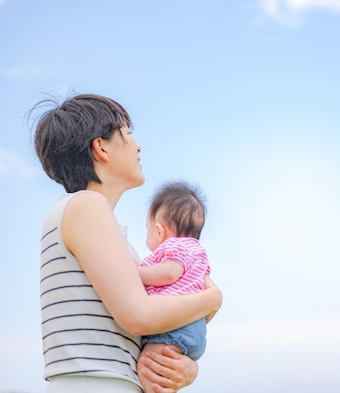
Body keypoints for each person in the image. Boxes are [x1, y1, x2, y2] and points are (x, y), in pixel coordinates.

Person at [31, 93, 222, 393]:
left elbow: (153, 324)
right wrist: (214, 300)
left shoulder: (104, 227)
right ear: (101, 147)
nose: (138, 145)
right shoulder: (86, 206)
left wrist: (185, 367)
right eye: (128, 134)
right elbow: (139, 316)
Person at [137, 181, 213, 393]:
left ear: (159, 231)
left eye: (147, 228)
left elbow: (169, 273)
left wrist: (134, 273)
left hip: (174, 327)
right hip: (193, 328)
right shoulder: (197, 252)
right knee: (165, 374)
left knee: (148, 368)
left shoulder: (174, 246)